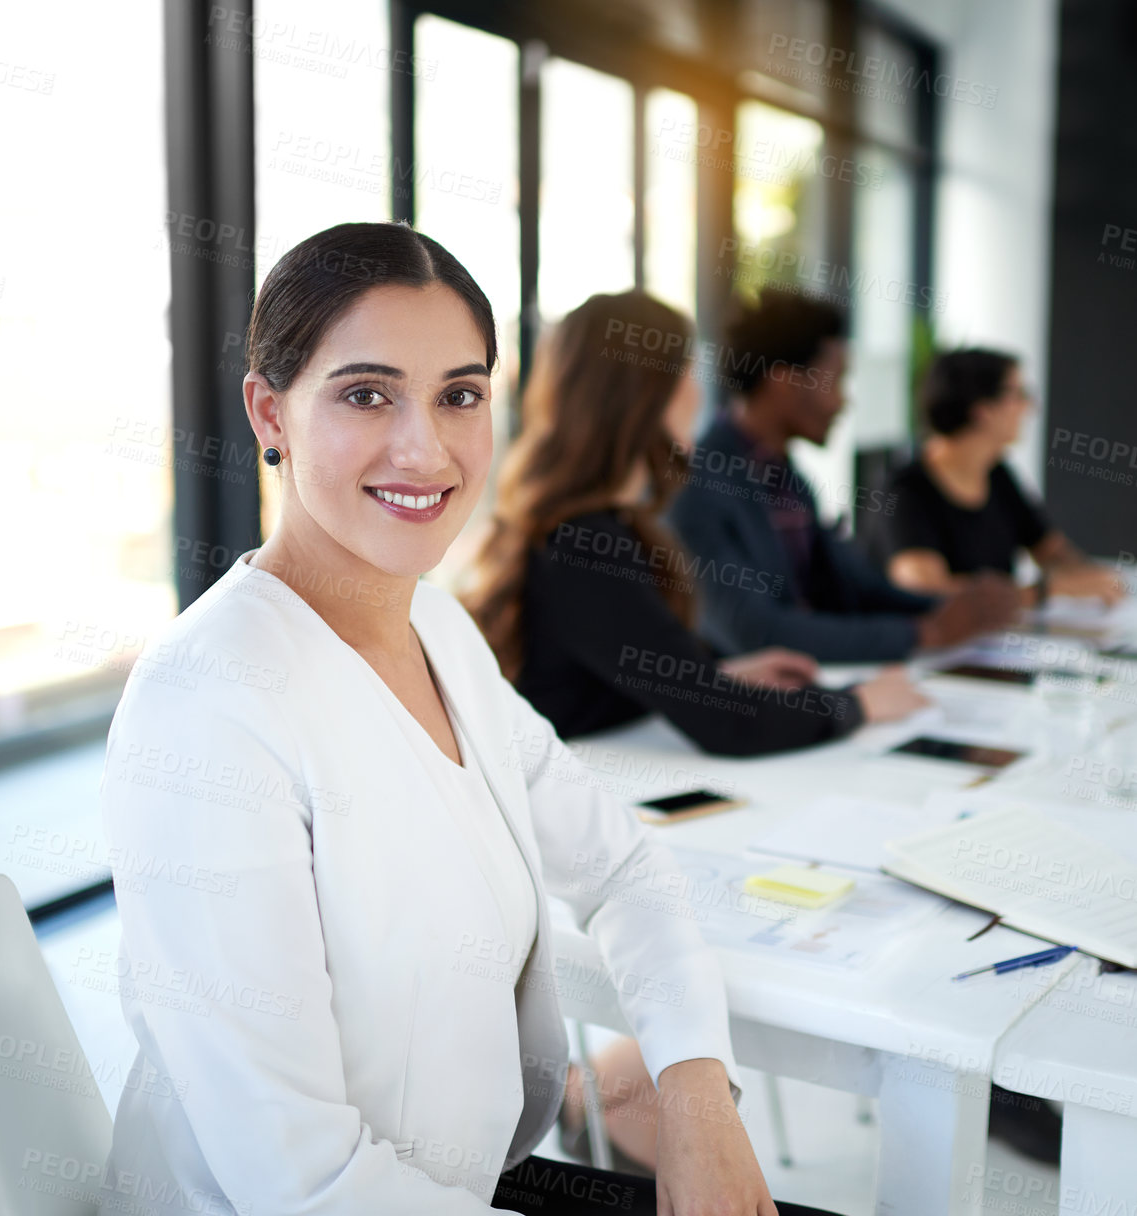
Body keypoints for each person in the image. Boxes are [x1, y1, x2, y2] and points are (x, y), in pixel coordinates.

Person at [97, 222, 804, 1216]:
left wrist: (694, 1093)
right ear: (271, 413)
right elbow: (299, 1180)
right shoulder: (205, 709)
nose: (424, 447)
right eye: (365, 393)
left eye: (458, 395)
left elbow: (623, 867)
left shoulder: (432, 618)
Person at [463, 289, 931, 760]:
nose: (701, 390)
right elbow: (726, 726)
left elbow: (619, 668)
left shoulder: (600, 523)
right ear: (645, 391)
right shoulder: (583, 542)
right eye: (688, 369)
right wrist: (861, 703)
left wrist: (719, 677)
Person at [667, 288, 1020, 663]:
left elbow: (860, 588)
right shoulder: (697, 485)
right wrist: (924, 633)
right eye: (835, 381)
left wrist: (959, 607)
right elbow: (756, 633)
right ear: (785, 382)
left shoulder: (786, 478)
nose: (843, 401)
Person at [884, 347, 1124, 606]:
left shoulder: (997, 476)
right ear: (982, 410)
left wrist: (1093, 579)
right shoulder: (908, 489)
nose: (1029, 406)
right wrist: (1043, 591)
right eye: (1018, 394)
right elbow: (926, 591)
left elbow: (1052, 551)